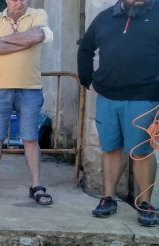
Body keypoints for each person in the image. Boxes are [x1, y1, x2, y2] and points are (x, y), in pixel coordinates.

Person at [77, 0, 159, 226]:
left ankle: (145, 204)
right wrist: (87, 80)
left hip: (145, 97)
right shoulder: (104, 17)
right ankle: (108, 197)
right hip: (107, 97)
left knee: (141, 152)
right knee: (110, 148)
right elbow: (85, 48)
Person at [0, 0, 53, 205]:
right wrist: (23, 40)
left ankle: (36, 185)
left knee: (31, 139)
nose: (20, 2)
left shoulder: (38, 14)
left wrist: (3, 42)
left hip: (30, 89)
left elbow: (38, 36)